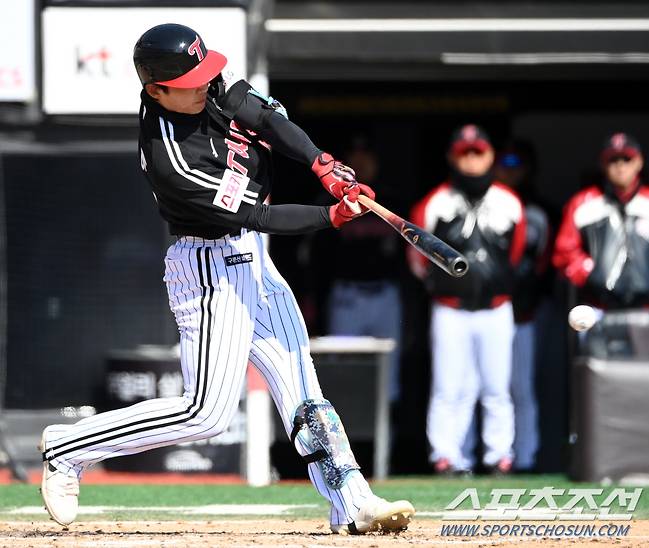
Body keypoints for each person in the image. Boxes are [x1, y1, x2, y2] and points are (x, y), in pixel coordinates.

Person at [39, 23, 414, 534]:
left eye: (204, 72)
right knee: (205, 414)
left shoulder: (205, 83)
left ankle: (352, 499)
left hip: (254, 257)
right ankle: (68, 449)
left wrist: (322, 163)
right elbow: (255, 216)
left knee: (301, 384)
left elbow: (263, 115)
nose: (205, 83)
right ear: (157, 90)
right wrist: (329, 217)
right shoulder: (172, 161)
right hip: (209, 265)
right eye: (190, 79)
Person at [408, 124, 526, 475]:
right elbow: (417, 260)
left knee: (496, 387)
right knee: (449, 386)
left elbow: (517, 255)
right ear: (453, 157)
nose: (472, 160)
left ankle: (498, 456)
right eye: (465, 153)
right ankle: (447, 456)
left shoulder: (509, 202)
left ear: (490, 155)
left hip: (496, 307)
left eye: (478, 152)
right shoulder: (435, 203)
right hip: (451, 309)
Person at [304, 139, 404, 402]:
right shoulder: (327, 200)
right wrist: (313, 304)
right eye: (354, 155)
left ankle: (386, 441)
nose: (360, 162)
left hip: (386, 295)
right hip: (346, 296)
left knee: (388, 376)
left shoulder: (391, 200)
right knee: (343, 371)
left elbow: (407, 262)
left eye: (366, 155)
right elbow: (314, 261)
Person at [553, 133, 649, 316]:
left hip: (647, 308)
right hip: (598, 308)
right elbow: (564, 252)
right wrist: (591, 273)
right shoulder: (583, 204)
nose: (620, 165)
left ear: (639, 162)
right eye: (613, 159)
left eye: (626, 158)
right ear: (602, 164)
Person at [494, 141, 551, 472]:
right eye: (505, 162)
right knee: (485, 389)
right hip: (488, 309)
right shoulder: (485, 203)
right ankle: (482, 459)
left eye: (517, 163)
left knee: (522, 388)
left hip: (526, 312)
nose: (510, 169)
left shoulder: (538, 211)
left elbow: (543, 265)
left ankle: (526, 456)